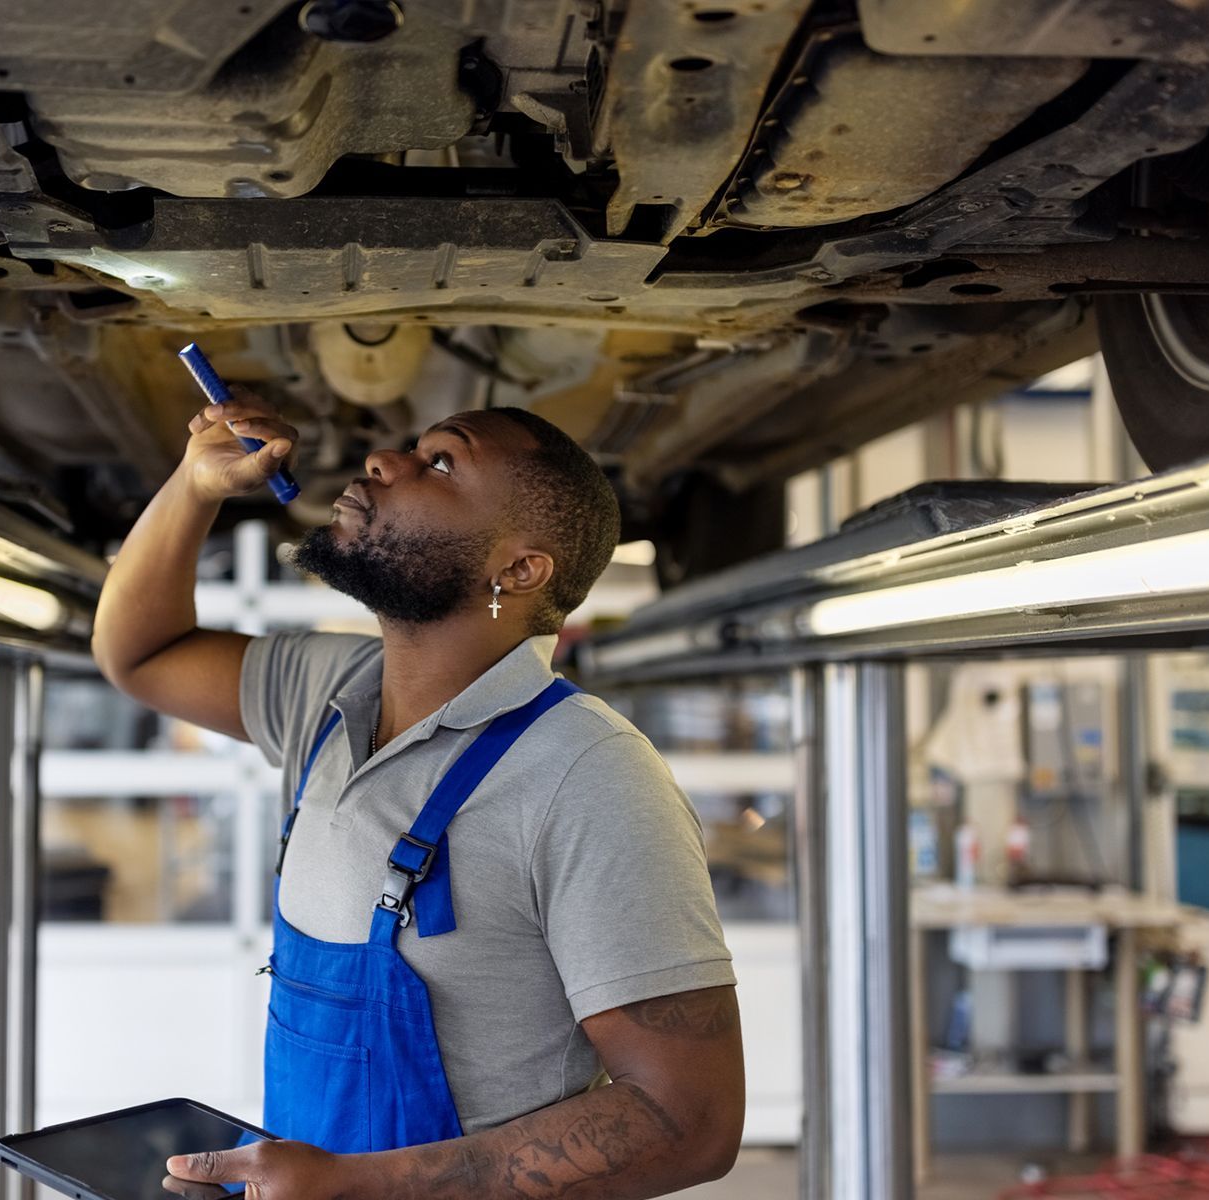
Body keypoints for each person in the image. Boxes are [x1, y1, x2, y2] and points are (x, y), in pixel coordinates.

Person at [92, 387, 744, 1200]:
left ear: (519, 568)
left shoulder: (590, 775)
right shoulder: (331, 691)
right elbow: (139, 652)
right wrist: (194, 488)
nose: (382, 461)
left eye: (440, 461)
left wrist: (366, 1186)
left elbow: (690, 1119)